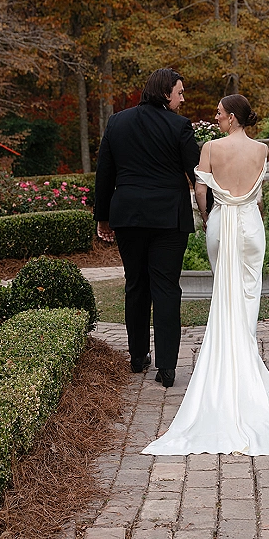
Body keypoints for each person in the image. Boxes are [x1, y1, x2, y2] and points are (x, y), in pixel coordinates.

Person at [142, 94, 269, 456]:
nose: (214, 117)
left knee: (224, 290)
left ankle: (232, 363)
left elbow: (200, 189)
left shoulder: (210, 148)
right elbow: (258, 197)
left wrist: (206, 216)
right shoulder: (261, 150)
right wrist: (250, 215)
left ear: (231, 117)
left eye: (218, 112)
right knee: (248, 292)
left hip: (220, 223)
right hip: (249, 226)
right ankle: (245, 361)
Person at [94, 68, 200, 387]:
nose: (183, 98)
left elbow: (104, 174)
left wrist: (103, 217)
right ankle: (167, 368)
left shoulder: (117, 122)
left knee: (135, 285)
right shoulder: (179, 126)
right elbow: (196, 173)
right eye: (179, 92)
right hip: (169, 217)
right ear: (165, 92)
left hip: (128, 215)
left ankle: (138, 357)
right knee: (166, 288)